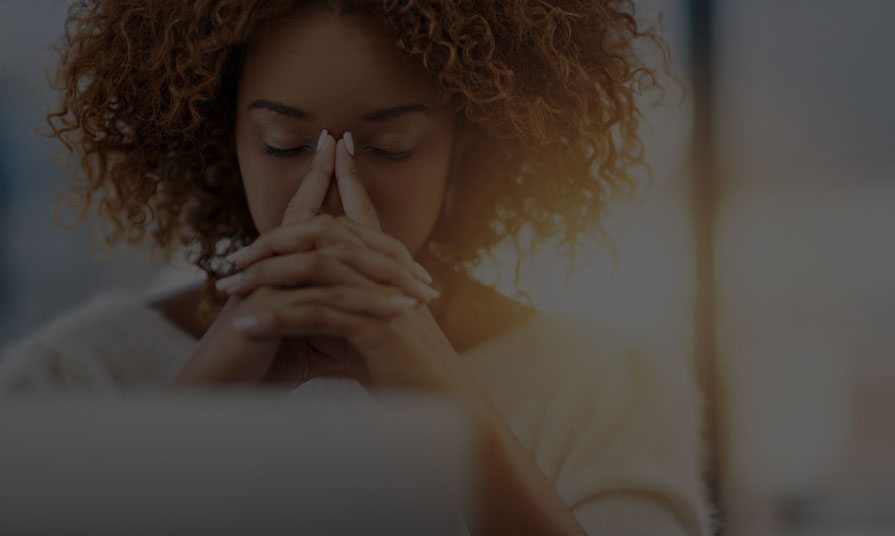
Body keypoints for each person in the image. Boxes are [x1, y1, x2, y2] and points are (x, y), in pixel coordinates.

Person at [0, 1, 711, 534]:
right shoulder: (73, 378)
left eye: (391, 146)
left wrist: (444, 399)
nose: (335, 190)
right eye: (283, 145)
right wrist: (206, 396)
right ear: (224, 142)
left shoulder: (603, 390)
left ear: (464, 150)